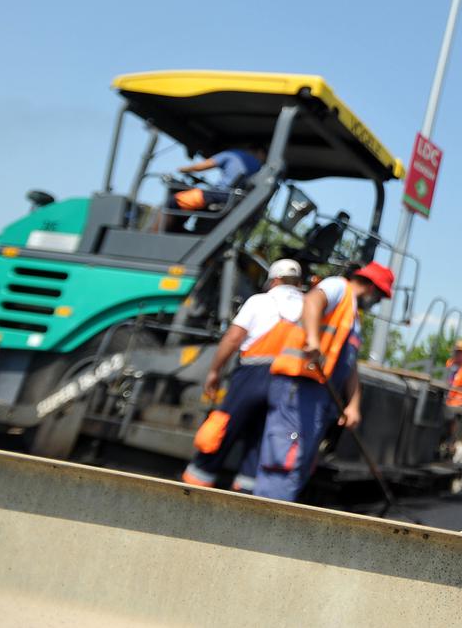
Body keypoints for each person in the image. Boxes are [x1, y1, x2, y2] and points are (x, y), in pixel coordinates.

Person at [254, 260, 394, 501]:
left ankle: (280, 515)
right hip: (299, 386)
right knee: (285, 458)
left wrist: (354, 404)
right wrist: (312, 339)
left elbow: (350, 365)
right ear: (372, 289)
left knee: (301, 462)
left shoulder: (353, 317)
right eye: (380, 297)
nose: (377, 303)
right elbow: (312, 301)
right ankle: (263, 517)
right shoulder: (338, 287)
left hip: (318, 395)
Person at [182, 258, 304, 491]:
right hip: (288, 380)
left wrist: (214, 372)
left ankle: (196, 481)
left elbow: (233, 338)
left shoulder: (260, 300)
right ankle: (246, 494)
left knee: (222, 428)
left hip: (252, 374)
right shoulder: (308, 306)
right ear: (298, 282)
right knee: (261, 438)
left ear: (274, 280)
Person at [162, 144, 266, 233]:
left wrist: (182, 169)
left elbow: (203, 166)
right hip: (233, 199)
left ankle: (157, 235)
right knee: (189, 206)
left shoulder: (233, 154)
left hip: (220, 195)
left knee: (173, 201)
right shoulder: (259, 167)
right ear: (260, 152)